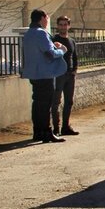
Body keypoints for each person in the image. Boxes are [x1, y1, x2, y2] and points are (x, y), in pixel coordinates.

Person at [20, 9, 67, 143]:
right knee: (46, 104)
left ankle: (38, 131)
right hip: (44, 73)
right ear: (41, 18)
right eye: (46, 17)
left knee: (37, 103)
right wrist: (61, 50)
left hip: (33, 73)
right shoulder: (41, 34)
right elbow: (50, 53)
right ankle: (47, 132)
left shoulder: (28, 34)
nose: (47, 20)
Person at [51, 15, 79, 136]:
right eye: (60, 24)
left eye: (65, 24)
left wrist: (75, 70)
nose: (63, 27)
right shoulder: (54, 40)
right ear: (57, 26)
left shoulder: (72, 41)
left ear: (69, 26)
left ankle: (65, 127)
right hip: (58, 75)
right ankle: (56, 128)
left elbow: (75, 56)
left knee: (69, 102)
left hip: (70, 75)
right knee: (56, 101)